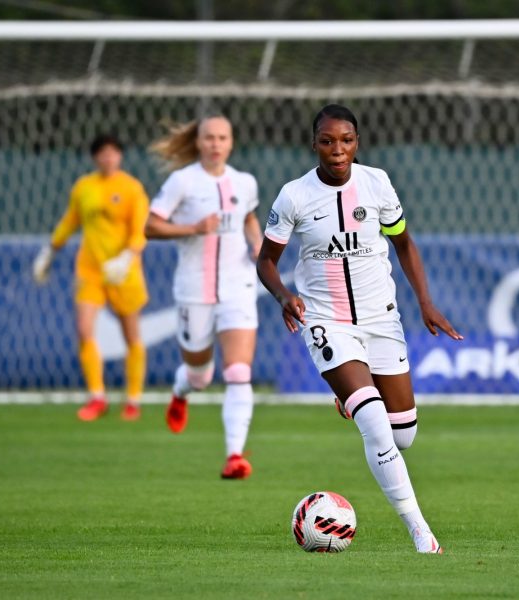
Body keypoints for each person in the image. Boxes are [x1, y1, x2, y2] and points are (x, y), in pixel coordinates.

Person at [256, 104, 462, 553]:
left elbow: (404, 243)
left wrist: (425, 302)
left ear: (357, 143)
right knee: (375, 422)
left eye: (346, 140)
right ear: (314, 144)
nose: (337, 149)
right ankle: (420, 530)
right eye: (327, 141)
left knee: (402, 433)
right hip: (327, 322)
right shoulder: (294, 196)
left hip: (382, 319)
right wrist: (283, 296)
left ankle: (350, 399)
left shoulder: (378, 183)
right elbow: (266, 261)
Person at [145, 116, 263, 480]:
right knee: (200, 374)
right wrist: (192, 228)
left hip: (238, 286)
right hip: (194, 289)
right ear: (198, 142)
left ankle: (234, 456)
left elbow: (249, 219)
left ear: (231, 143)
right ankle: (181, 392)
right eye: (209, 137)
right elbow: (150, 225)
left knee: (238, 372)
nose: (215, 143)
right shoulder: (183, 181)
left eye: (222, 137)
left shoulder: (244, 182)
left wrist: (258, 245)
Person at [32, 133, 150, 422]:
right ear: (95, 157)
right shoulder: (84, 187)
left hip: (124, 271)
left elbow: (140, 230)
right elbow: (71, 221)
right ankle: (97, 396)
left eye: (113, 152)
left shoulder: (132, 188)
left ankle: (133, 399)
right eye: (103, 153)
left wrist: (127, 257)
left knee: (131, 335)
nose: (108, 158)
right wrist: (50, 250)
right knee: (84, 330)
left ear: (120, 156)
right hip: (90, 270)